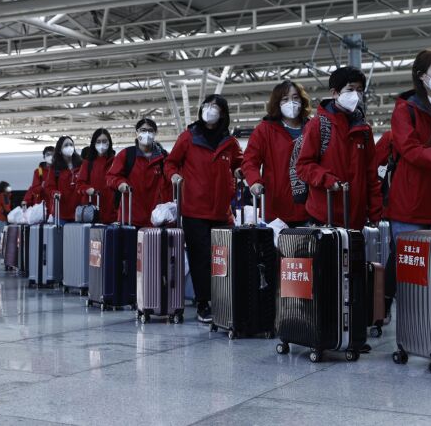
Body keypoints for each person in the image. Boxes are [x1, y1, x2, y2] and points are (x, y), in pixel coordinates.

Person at [165, 95, 243, 323]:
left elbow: (240, 163)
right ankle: (203, 302)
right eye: (207, 106)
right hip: (194, 209)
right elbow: (170, 163)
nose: (210, 111)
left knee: (224, 258)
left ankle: (224, 299)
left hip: (221, 211)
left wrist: (240, 172)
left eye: (216, 107)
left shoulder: (230, 142)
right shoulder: (188, 137)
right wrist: (174, 176)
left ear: (223, 113)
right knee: (200, 258)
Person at [384, 49, 431, 311]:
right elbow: (409, 150)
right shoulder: (405, 111)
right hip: (410, 206)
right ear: (422, 76)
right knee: (411, 274)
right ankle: (408, 333)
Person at [295, 66, 382, 230]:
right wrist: (327, 180)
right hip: (324, 216)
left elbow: (371, 175)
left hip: (356, 219)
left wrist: (376, 212)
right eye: (350, 89)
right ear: (334, 93)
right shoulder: (318, 125)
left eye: (360, 90)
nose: (355, 95)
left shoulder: (364, 131)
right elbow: (303, 166)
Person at [241, 80, 312, 226]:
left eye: (295, 98)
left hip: (311, 207)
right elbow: (250, 160)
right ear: (277, 104)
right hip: (276, 210)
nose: (291, 103)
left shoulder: (313, 128)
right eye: (285, 99)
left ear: (302, 100)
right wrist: (254, 181)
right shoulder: (264, 130)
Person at [106, 118, 172, 228]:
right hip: (131, 217)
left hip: (156, 218)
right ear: (136, 133)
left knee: (154, 245)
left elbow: (170, 184)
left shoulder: (163, 157)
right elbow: (111, 176)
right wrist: (120, 184)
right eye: (143, 130)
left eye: (150, 131)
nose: (147, 134)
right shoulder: (127, 155)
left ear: (155, 133)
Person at [77, 128, 117, 223]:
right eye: (98, 141)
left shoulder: (116, 161)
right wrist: (87, 189)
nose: (101, 144)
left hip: (111, 213)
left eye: (104, 141)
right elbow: (79, 185)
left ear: (109, 142)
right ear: (94, 143)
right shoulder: (88, 163)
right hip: (92, 212)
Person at [45, 136, 82, 225]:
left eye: (71, 144)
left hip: (79, 213)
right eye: (65, 145)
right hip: (61, 214)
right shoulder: (55, 168)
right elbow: (49, 187)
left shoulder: (81, 165)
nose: (69, 147)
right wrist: (54, 193)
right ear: (59, 150)